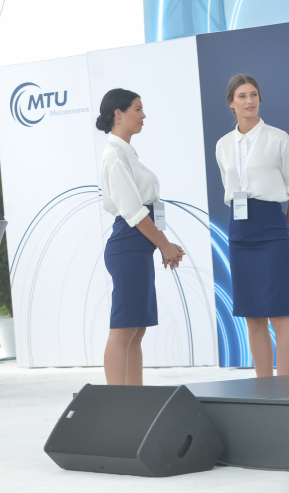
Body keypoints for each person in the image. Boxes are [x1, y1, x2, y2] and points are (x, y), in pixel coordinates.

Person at [215, 74, 289, 378]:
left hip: (272, 229)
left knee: (280, 314)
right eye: (242, 96)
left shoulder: (278, 138)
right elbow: (230, 190)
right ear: (231, 103)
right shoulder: (223, 145)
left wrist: (284, 229)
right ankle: (264, 388)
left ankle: (286, 388)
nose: (249, 101)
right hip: (240, 232)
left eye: (253, 94)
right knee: (252, 316)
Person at [97, 89, 184, 386]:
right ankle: (117, 401)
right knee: (124, 329)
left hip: (138, 245)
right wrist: (164, 244)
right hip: (127, 244)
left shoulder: (126, 153)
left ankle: (135, 398)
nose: (143, 115)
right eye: (137, 109)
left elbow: (145, 209)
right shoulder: (114, 155)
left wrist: (163, 244)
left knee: (136, 329)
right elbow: (134, 212)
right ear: (118, 114)